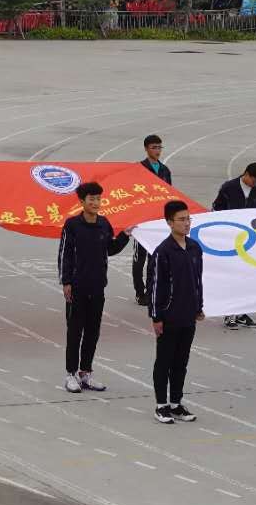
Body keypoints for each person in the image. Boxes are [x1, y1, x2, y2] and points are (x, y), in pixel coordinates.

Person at [58, 181, 130, 392]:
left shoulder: (104, 224)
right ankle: (71, 374)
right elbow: (64, 254)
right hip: (77, 288)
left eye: (99, 198)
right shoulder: (72, 225)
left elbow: (111, 248)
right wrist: (66, 281)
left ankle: (86, 373)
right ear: (82, 201)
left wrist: (125, 235)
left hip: (97, 287)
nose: (96, 203)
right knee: (75, 332)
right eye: (92, 199)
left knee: (92, 332)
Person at [147, 199, 204, 424]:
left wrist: (198, 306)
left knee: (181, 361)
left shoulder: (194, 248)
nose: (186, 223)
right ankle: (161, 405)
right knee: (164, 361)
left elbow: (197, 281)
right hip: (169, 316)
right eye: (181, 219)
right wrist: (156, 316)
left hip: (188, 315)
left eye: (188, 219)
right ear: (169, 222)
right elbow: (155, 286)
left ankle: (176, 403)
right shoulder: (163, 252)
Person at [212, 162, 256, 328]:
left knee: (247, 276)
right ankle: (229, 313)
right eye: (254, 181)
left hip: (249, 240)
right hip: (230, 239)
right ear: (246, 174)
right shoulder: (229, 188)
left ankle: (242, 312)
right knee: (232, 276)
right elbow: (216, 211)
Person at [131, 134, 171, 307]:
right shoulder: (138, 169)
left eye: (159, 147)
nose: (157, 151)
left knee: (153, 257)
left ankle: (150, 291)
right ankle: (139, 293)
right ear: (146, 149)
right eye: (154, 147)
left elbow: (169, 194)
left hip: (157, 221)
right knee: (139, 259)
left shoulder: (165, 171)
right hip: (141, 221)